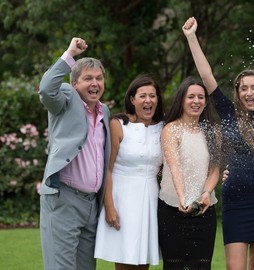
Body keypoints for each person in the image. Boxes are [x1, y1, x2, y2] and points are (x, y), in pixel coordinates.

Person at [183, 17, 254, 270]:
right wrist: (192, 37)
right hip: (236, 202)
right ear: (237, 92)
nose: (249, 93)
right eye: (243, 88)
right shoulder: (228, 112)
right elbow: (206, 76)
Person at [38, 37, 111, 270]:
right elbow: (47, 89)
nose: (95, 83)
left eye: (99, 78)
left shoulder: (105, 112)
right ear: (74, 83)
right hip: (64, 200)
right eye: (88, 78)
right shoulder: (66, 100)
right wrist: (69, 53)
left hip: (91, 205)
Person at [94, 75, 164, 269]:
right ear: (132, 100)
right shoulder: (118, 124)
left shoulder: (163, 127)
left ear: (157, 99)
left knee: (144, 262)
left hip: (150, 198)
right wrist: (109, 206)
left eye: (152, 95)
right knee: (124, 262)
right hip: (122, 199)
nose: (148, 100)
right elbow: (107, 168)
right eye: (142, 96)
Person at [158, 76, 220, 269]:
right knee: (174, 265)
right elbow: (175, 167)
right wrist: (182, 198)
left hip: (204, 210)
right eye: (190, 96)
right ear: (182, 100)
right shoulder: (171, 130)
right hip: (172, 210)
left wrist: (206, 193)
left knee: (201, 266)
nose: (196, 101)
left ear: (206, 101)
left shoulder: (213, 131)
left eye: (200, 97)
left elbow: (214, 169)